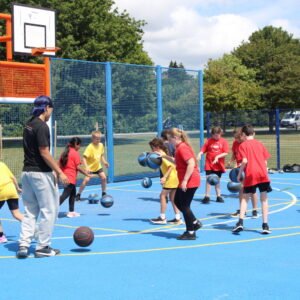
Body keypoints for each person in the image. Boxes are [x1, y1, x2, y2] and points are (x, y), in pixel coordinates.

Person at [17, 95, 69, 258]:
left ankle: (23, 245)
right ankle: (43, 247)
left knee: (30, 211)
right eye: (51, 109)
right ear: (47, 108)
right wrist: (59, 172)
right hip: (40, 174)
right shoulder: (42, 126)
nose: (51, 113)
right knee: (49, 211)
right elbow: (44, 152)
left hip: (26, 173)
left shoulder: (28, 125)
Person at [232, 125, 272, 234]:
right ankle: (265, 225)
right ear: (254, 133)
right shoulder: (260, 144)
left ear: (244, 134)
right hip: (263, 173)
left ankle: (240, 222)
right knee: (264, 199)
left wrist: (239, 174)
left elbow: (244, 161)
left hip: (251, 173)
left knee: (245, 198)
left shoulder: (243, 145)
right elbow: (265, 162)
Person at [163, 128, 201, 240]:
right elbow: (178, 162)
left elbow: (191, 163)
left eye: (169, 139)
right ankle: (194, 222)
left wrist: (185, 180)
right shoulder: (179, 148)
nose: (168, 142)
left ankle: (190, 232)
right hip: (186, 180)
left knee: (184, 205)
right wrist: (165, 157)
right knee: (177, 201)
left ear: (175, 138)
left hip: (190, 181)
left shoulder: (182, 148)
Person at [148, 138, 182, 225]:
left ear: (157, 147)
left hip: (171, 178)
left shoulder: (162, 155)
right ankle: (178, 218)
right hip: (175, 177)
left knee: (162, 196)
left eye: (153, 148)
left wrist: (164, 177)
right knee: (173, 198)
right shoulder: (162, 154)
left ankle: (162, 218)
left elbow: (171, 166)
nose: (152, 150)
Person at [58, 137, 92, 218]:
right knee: (65, 195)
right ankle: (52, 210)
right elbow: (78, 167)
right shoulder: (75, 153)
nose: (80, 147)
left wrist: (59, 175)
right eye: (79, 145)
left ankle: (71, 211)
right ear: (76, 145)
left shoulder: (65, 152)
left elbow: (59, 164)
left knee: (72, 194)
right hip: (70, 178)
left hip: (65, 177)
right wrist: (86, 174)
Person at [229, 128, 258, 218]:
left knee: (252, 191)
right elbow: (235, 153)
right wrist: (232, 162)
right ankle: (243, 210)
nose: (236, 139)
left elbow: (252, 157)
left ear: (242, 135)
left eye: (238, 138)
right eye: (235, 138)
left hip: (249, 168)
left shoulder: (248, 144)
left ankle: (255, 210)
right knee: (241, 189)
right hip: (240, 169)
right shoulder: (235, 143)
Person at [197, 126, 229, 204]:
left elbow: (226, 152)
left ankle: (218, 196)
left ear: (220, 133)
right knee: (208, 180)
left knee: (217, 180)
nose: (216, 137)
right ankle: (207, 196)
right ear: (212, 134)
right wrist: (199, 154)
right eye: (214, 135)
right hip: (209, 163)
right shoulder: (209, 141)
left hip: (218, 165)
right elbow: (203, 150)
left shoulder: (224, 141)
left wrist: (217, 157)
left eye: (217, 135)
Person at [75, 130, 109, 201]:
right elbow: (84, 158)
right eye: (96, 139)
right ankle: (78, 194)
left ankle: (104, 193)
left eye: (99, 139)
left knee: (104, 178)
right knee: (86, 180)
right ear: (92, 139)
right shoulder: (90, 147)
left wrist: (105, 162)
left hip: (98, 167)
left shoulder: (101, 145)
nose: (98, 140)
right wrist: (87, 167)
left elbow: (101, 155)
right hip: (90, 168)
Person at [0, 161, 23, 243]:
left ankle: (1, 237)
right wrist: (17, 188)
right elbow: (13, 177)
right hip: (11, 189)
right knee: (17, 214)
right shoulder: (2, 164)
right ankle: (33, 228)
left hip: (1, 191)